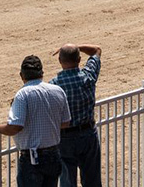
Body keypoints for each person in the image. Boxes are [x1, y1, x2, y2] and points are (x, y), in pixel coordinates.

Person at [0, 55, 71, 187]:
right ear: (42, 73)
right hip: (53, 154)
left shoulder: (23, 95)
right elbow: (65, 122)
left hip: (32, 158)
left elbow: (15, 127)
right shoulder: (58, 91)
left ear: (22, 75)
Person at [49, 43, 102, 187]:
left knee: (67, 182)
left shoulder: (53, 85)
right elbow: (96, 50)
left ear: (60, 61)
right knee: (92, 181)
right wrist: (77, 46)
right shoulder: (88, 77)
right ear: (79, 59)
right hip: (88, 133)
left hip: (65, 137)